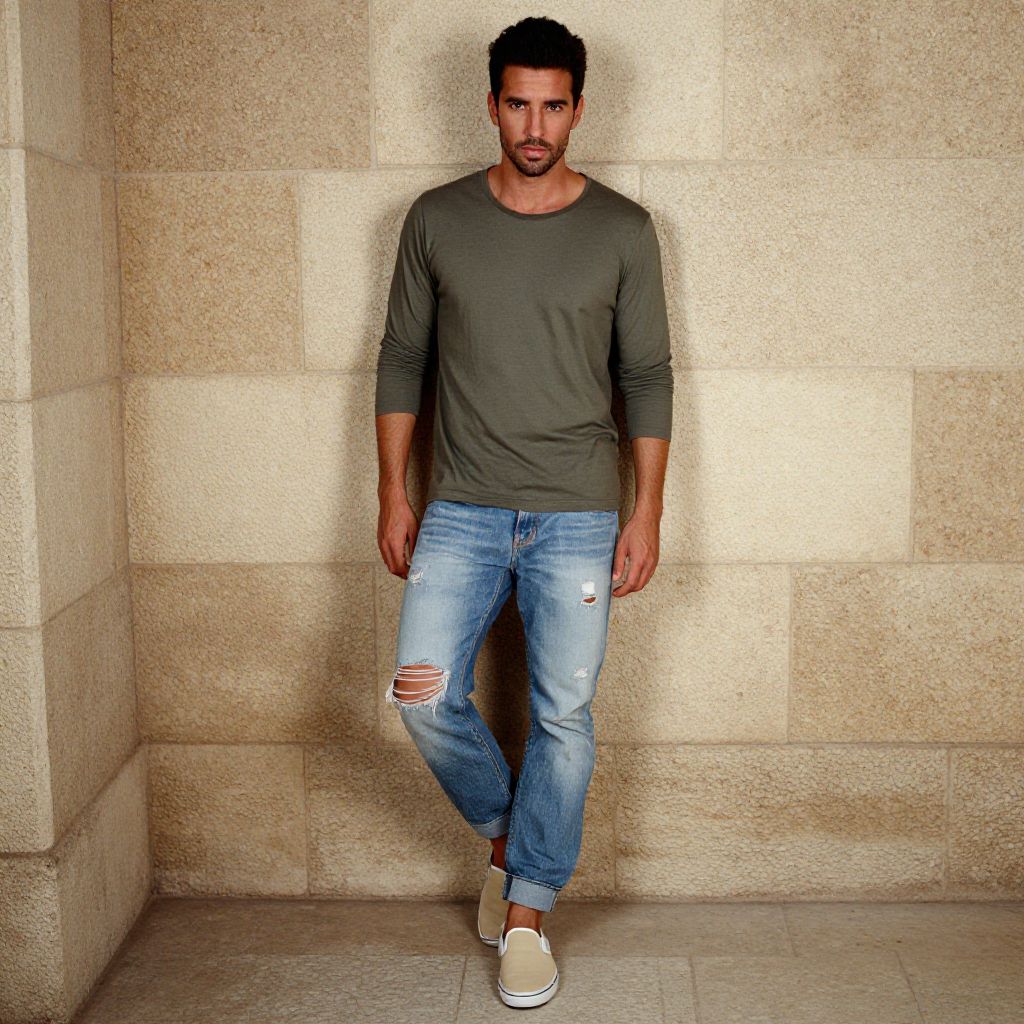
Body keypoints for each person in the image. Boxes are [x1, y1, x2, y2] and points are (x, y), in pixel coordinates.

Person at [374, 15, 672, 1009]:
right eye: (517, 104)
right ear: (491, 105)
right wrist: (392, 489)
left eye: (553, 106)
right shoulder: (435, 219)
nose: (534, 126)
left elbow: (648, 376)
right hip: (459, 507)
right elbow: (402, 360)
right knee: (423, 696)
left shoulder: (624, 230)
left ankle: (527, 918)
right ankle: (514, 842)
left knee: (561, 715)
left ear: (579, 108)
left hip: (579, 515)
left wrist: (646, 512)